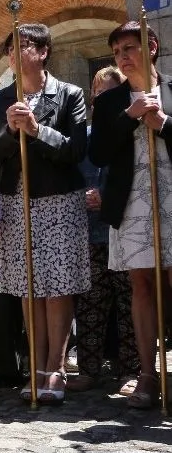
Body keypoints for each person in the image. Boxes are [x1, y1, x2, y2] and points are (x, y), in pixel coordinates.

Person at [0, 23, 89, 405]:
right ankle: (34, 365)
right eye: (10, 48)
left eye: (23, 46)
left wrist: (38, 130)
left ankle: (54, 368)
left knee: (56, 286)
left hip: (57, 198)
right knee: (28, 288)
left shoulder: (69, 94)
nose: (14, 53)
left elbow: (76, 150)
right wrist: (10, 132)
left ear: (43, 52)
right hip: (16, 200)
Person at [90, 21, 172, 408]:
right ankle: (147, 374)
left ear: (151, 46)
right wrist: (129, 116)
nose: (122, 57)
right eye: (116, 52)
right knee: (141, 283)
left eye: (129, 47)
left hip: (171, 196)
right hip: (132, 200)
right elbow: (99, 153)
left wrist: (164, 125)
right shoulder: (109, 101)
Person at [70, 66, 139, 394]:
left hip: (124, 230)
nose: (101, 98)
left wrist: (108, 196)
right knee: (90, 304)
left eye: (109, 92)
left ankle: (131, 372)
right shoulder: (83, 135)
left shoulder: (133, 130)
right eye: (97, 92)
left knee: (130, 305)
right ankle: (88, 369)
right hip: (89, 234)